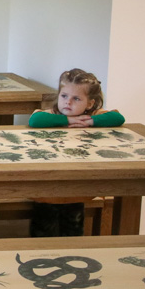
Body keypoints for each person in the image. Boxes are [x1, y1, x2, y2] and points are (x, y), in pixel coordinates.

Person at [28, 68, 125, 236]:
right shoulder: (53, 114)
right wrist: (68, 119)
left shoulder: (92, 114)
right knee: (44, 222)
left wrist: (91, 121)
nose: (68, 102)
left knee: (72, 222)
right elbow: (35, 119)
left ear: (89, 104)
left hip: (77, 181)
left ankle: (71, 250)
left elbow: (118, 118)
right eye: (64, 96)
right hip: (47, 181)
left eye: (76, 98)